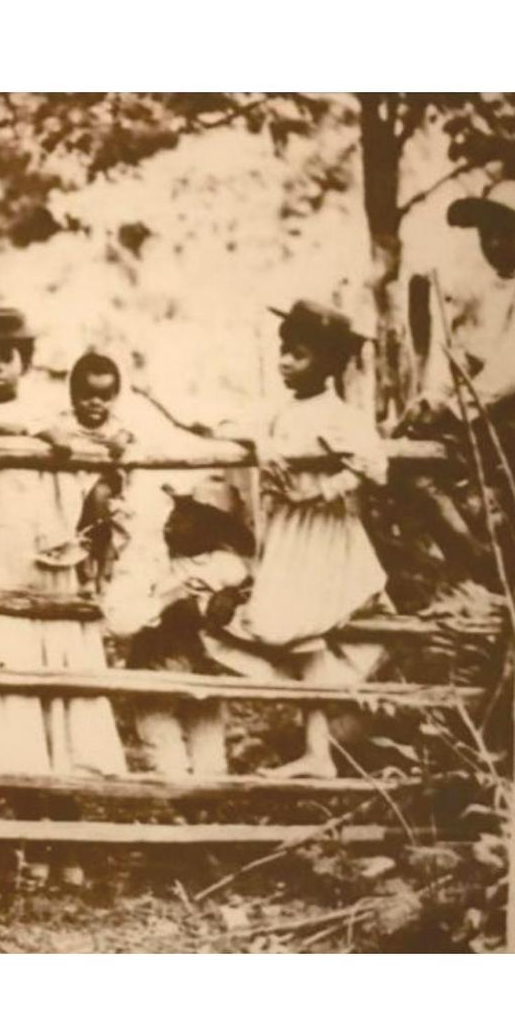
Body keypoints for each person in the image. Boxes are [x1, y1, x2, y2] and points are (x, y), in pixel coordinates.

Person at [0, 307, 127, 886]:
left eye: (6, 356)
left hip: (54, 565)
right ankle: (30, 841)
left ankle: (68, 841)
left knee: (62, 701)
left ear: (26, 362)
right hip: (5, 570)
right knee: (16, 705)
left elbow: (88, 446)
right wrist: (6, 431)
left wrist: (43, 434)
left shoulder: (51, 413)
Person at [210, 300, 389, 779]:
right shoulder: (283, 412)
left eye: (300, 354)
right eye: (284, 351)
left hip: (323, 534)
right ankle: (318, 752)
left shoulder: (338, 415)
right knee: (300, 636)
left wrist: (323, 490)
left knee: (287, 624)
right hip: (289, 533)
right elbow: (230, 426)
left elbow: (374, 465)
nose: (286, 362)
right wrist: (261, 445)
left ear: (328, 363)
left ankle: (326, 747)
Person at [401, 180, 515, 597]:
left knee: (510, 496)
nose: (495, 243)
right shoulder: (482, 285)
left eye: (508, 233)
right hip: (487, 403)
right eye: (487, 233)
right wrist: (434, 399)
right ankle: (478, 562)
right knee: (408, 463)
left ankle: (494, 567)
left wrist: (454, 411)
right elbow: (460, 355)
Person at [104, 475, 253, 778]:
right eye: (176, 511)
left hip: (204, 669)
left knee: (210, 760)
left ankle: (208, 799)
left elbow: (249, 599)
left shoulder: (225, 564)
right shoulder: (150, 557)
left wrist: (231, 598)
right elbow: (119, 619)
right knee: (166, 757)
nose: (174, 522)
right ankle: (178, 793)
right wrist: (168, 602)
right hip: (156, 665)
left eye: (189, 517)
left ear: (212, 529)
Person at [41, 351, 135, 593]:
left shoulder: (116, 425)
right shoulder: (65, 422)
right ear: (73, 396)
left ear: (115, 397)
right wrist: (56, 438)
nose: (96, 402)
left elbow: (132, 435)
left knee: (99, 498)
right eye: (88, 395)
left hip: (105, 488)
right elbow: (43, 428)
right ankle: (84, 567)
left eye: (104, 397)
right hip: (72, 485)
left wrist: (123, 439)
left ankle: (104, 563)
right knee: (68, 502)